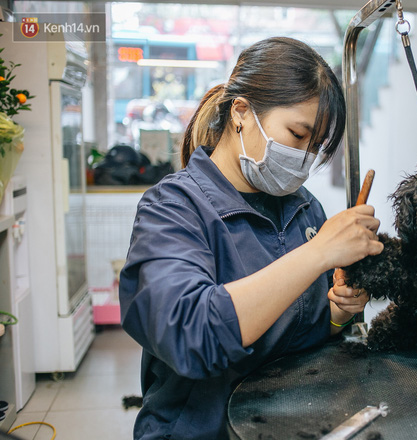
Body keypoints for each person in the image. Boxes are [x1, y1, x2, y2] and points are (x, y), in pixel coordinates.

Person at [119, 37, 383, 440]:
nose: (305, 159)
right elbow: (189, 334)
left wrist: (337, 314)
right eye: (297, 135)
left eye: (316, 148)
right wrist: (317, 254)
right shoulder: (173, 208)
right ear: (241, 111)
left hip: (285, 424)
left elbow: (298, 330)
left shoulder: (304, 209)